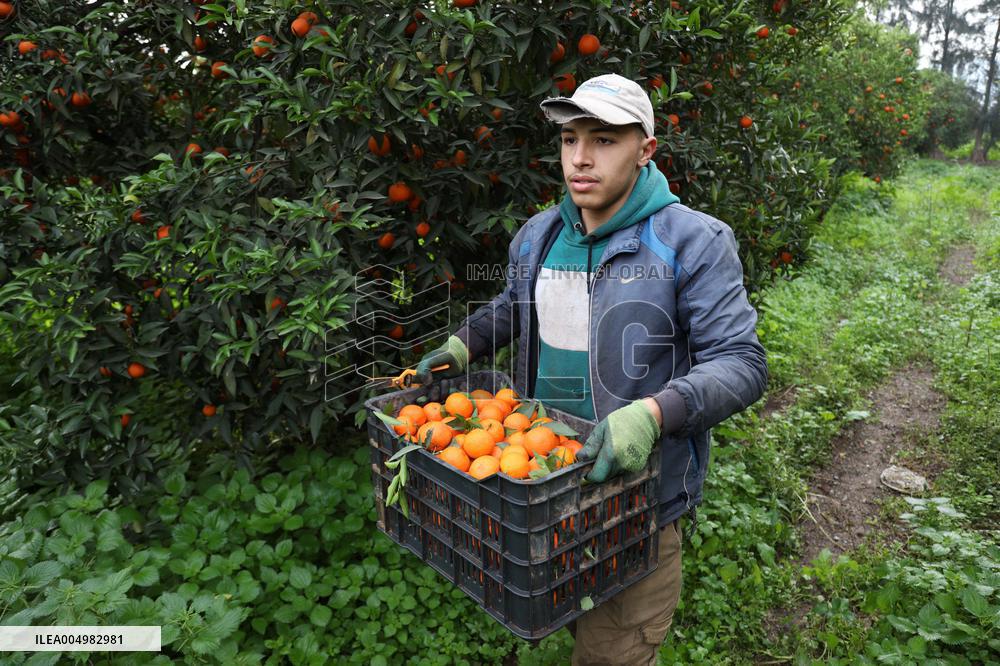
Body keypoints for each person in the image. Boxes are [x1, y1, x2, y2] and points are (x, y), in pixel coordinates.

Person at [415, 73, 768, 665]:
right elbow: (513, 307)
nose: (580, 158)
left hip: (635, 502)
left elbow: (741, 363)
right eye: (569, 138)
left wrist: (655, 413)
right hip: (540, 482)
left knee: (612, 653)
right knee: (565, 619)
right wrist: (461, 345)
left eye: (604, 140)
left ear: (645, 149)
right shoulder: (538, 236)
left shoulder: (693, 242)